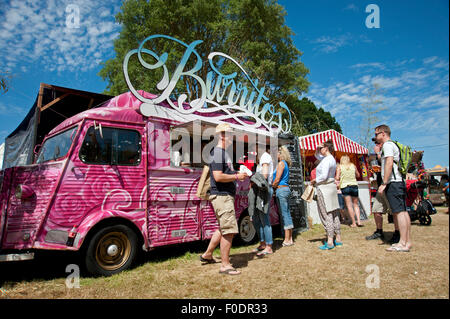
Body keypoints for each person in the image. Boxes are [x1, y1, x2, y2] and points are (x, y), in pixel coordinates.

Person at [200, 123, 249, 275]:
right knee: (229, 230)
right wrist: (236, 176)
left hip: (224, 196)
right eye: (229, 134)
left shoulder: (223, 153)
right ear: (222, 135)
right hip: (222, 196)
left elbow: (223, 173)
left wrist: (235, 172)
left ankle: (207, 255)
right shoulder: (218, 153)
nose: (231, 137)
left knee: (223, 228)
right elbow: (218, 176)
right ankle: (225, 265)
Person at [375, 124, 411, 252]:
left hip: (393, 183)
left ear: (383, 133)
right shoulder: (392, 145)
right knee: (403, 211)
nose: (375, 137)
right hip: (398, 181)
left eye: (376, 134)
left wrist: (384, 183)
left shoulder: (387, 145)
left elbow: (389, 162)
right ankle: (406, 241)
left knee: (399, 212)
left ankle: (402, 243)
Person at [366, 141, 400, 243]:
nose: (375, 145)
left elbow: (388, 164)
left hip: (389, 184)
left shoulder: (387, 149)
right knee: (376, 210)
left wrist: (378, 154)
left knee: (394, 212)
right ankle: (379, 231)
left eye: (377, 143)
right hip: (381, 185)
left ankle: (397, 233)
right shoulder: (379, 155)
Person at [311, 139, 342, 250]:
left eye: (322, 147)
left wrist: (314, 180)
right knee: (334, 213)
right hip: (331, 188)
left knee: (326, 213)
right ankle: (338, 237)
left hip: (324, 188)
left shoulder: (326, 160)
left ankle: (330, 241)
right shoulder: (330, 159)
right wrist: (318, 147)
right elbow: (317, 155)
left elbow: (323, 176)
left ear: (326, 148)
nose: (320, 150)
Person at [250, 146, 274, 256]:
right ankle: (263, 243)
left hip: (264, 191)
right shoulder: (261, 158)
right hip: (259, 190)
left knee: (264, 218)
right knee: (256, 217)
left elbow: (264, 176)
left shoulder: (265, 157)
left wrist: (253, 178)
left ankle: (269, 246)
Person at [272, 146, 294, 247]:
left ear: (280, 154)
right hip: (286, 189)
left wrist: (272, 186)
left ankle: (286, 239)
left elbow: (277, 179)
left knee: (284, 214)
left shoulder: (281, 164)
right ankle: (290, 238)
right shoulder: (286, 164)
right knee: (287, 213)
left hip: (281, 189)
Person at [336, 155, 362, 227]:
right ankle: (359, 221)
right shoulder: (353, 165)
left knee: (349, 205)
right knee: (356, 204)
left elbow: (337, 177)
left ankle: (353, 222)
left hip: (345, 186)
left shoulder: (339, 167)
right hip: (354, 185)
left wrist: (340, 177)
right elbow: (358, 175)